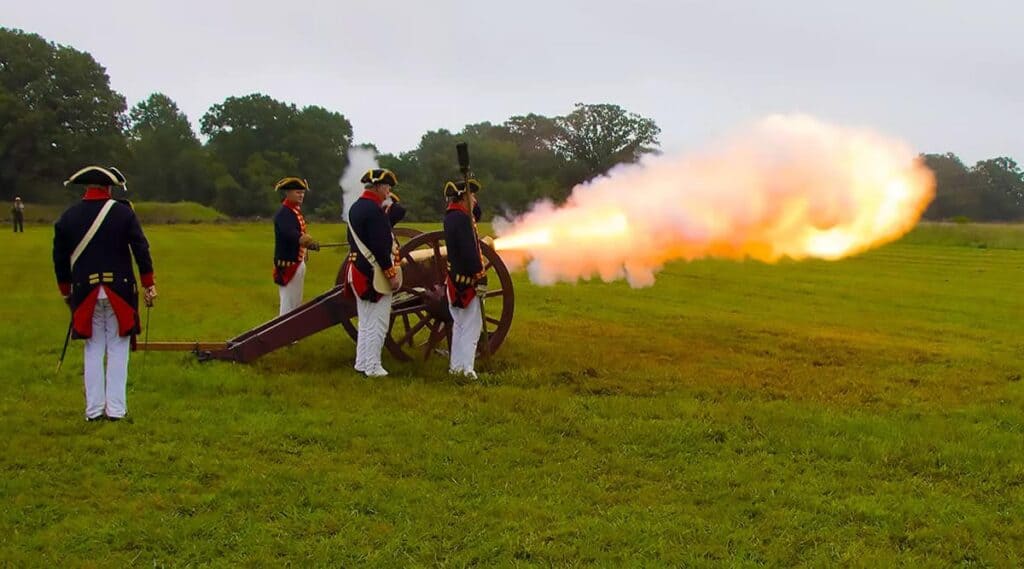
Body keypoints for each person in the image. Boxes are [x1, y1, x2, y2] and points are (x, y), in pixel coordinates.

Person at [52, 165, 156, 421]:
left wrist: (66, 292)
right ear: (108, 188)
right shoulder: (123, 213)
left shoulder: (68, 216)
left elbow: (59, 259)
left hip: (85, 292)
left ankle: (94, 410)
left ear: (87, 188)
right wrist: (148, 283)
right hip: (118, 290)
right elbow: (140, 248)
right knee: (118, 349)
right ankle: (117, 410)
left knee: (93, 349)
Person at [345, 168, 401, 377]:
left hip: (358, 270)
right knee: (378, 321)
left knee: (366, 321)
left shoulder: (356, 208)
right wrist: (391, 274)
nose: (388, 192)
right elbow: (379, 247)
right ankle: (373, 366)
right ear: (377, 186)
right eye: (386, 187)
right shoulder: (374, 211)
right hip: (372, 274)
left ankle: (362, 362)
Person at [442, 178, 486, 379]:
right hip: (467, 280)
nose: (475, 200)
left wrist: (472, 202)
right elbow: (470, 252)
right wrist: (480, 275)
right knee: (471, 326)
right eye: (472, 196)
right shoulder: (461, 220)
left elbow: (476, 214)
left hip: (454, 279)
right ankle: (467, 369)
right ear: (463, 198)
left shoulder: (452, 216)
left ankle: (456, 367)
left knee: (459, 326)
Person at [273, 177, 318, 315]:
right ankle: (284, 335)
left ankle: (291, 335)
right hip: (288, 264)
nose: (301, 195)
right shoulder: (284, 213)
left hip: (297, 262)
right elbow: (290, 232)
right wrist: (305, 240)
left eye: (302, 192)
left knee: (296, 303)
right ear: (288, 193)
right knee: (288, 303)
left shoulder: (294, 211)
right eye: (298, 192)